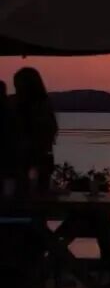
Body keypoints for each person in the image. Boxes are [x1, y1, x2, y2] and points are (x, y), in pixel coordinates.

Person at [12, 67, 57, 195]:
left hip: (35, 160)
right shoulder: (20, 106)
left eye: (18, 87)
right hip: (33, 160)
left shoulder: (40, 108)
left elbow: (44, 136)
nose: (17, 91)